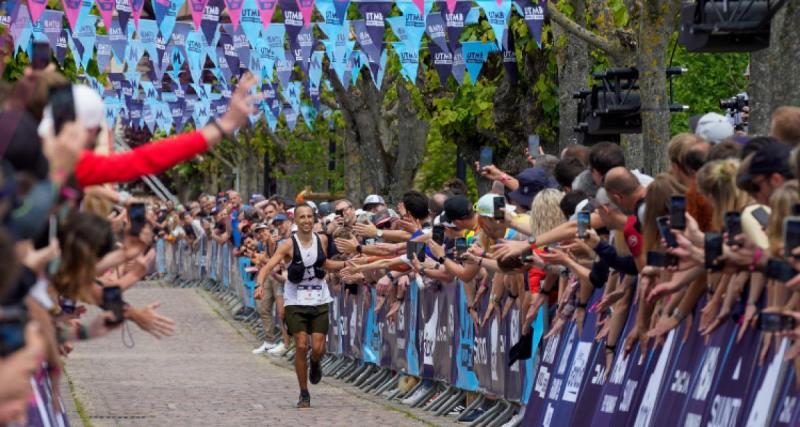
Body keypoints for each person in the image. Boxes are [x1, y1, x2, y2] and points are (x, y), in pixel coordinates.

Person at [255, 204, 347, 408]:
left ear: (313, 219)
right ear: (295, 221)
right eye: (302, 217)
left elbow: (326, 264)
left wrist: (347, 265)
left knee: (317, 348)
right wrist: (259, 285)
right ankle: (304, 392)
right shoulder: (288, 244)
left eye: (309, 217)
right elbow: (268, 267)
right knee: (301, 344)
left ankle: (315, 362)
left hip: (319, 299)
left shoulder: (321, 240)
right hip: (295, 300)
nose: (306, 220)